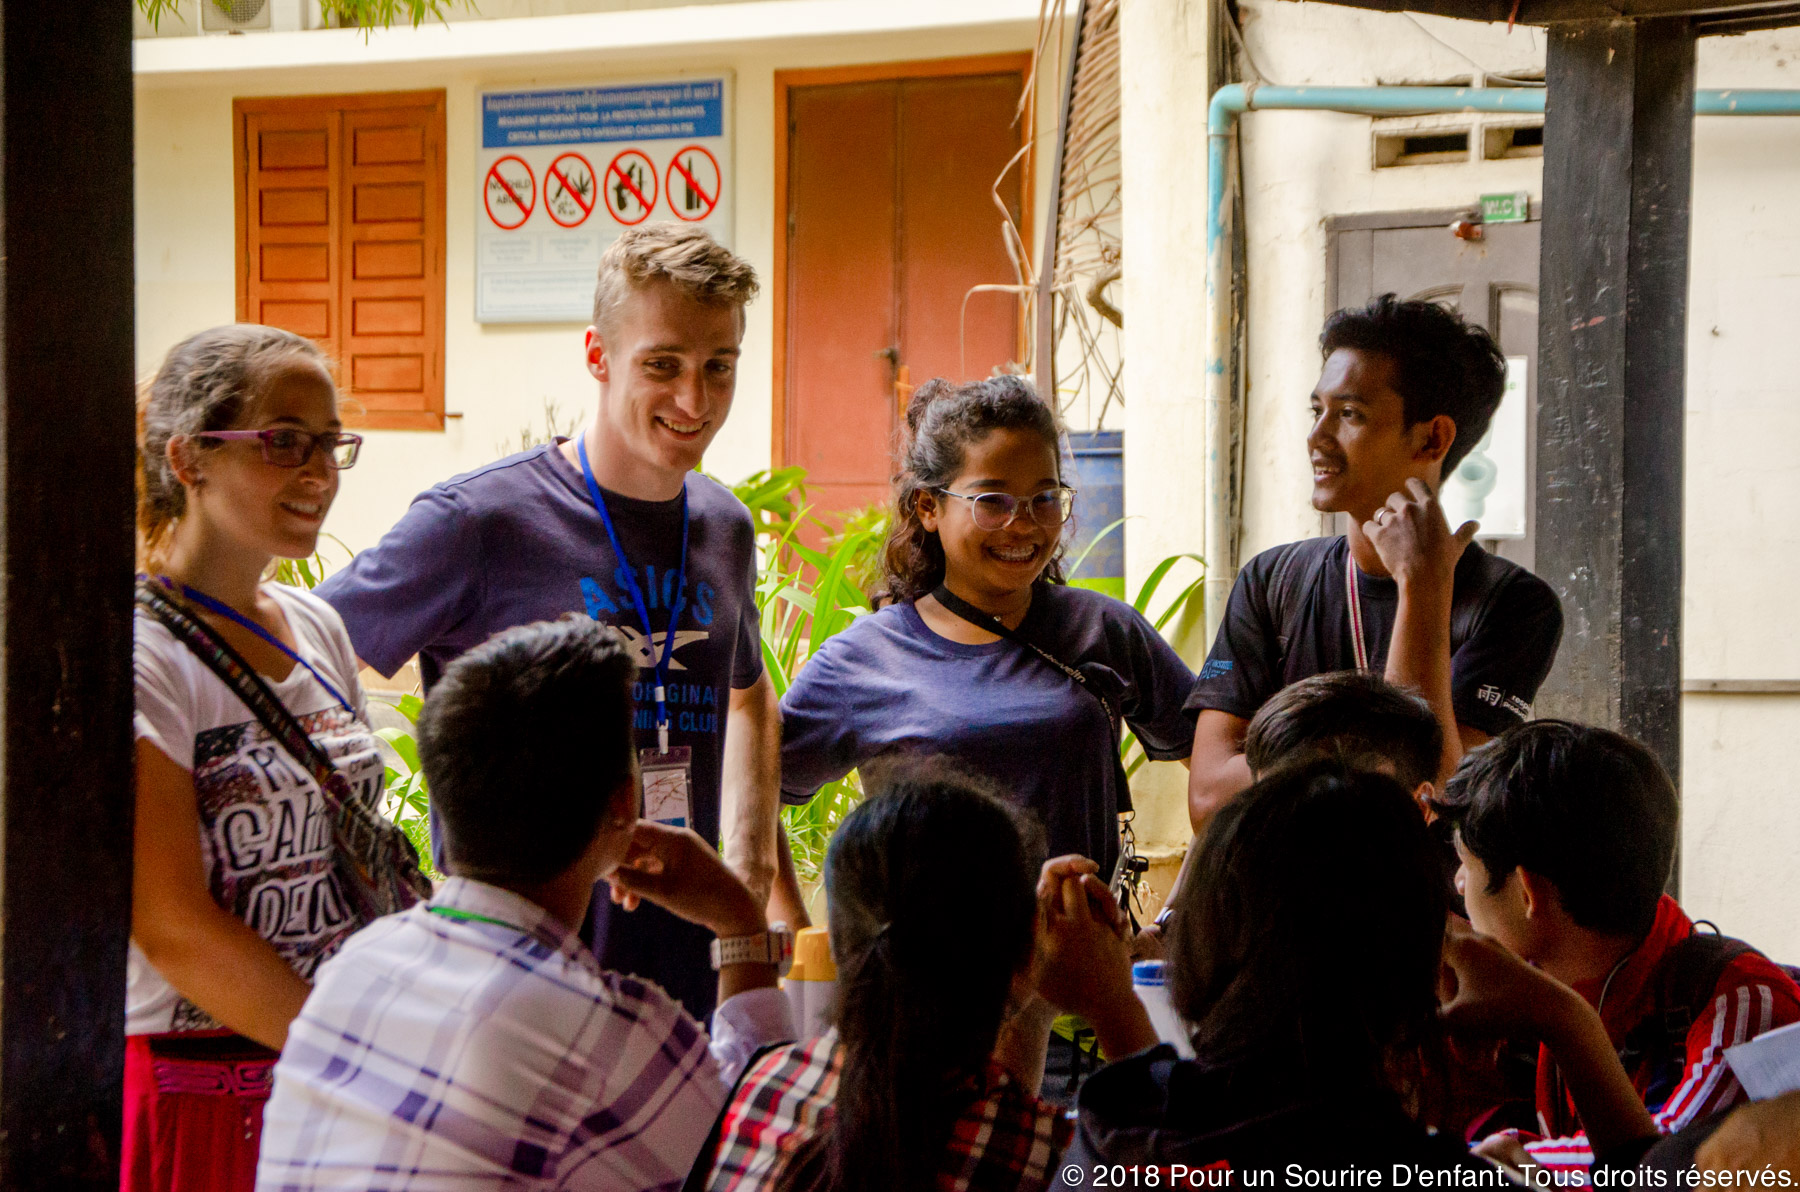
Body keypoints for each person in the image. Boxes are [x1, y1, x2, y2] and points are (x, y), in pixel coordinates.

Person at [316, 224, 799, 1021]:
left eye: (720, 367)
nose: (695, 400)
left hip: (692, 971)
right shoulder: (478, 521)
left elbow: (748, 697)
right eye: (663, 365)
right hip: (521, 981)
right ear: (597, 356)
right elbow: (306, 657)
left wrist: (744, 878)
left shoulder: (723, 526)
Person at [257, 617, 797, 1191]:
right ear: (624, 801)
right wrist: (738, 920)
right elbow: (758, 1150)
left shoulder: (353, 968)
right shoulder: (598, 1029)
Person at [778, 374, 1195, 1089]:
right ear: (929, 507)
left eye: (1044, 498)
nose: (1025, 524)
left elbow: (1224, 773)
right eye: (993, 500)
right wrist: (790, 934)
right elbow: (750, 797)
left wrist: (1176, 919)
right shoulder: (864, 658)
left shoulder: (1102, 630)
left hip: (1086, 1007)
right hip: (926, 1007)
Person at [128, 324, 426, 1191]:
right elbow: (171, 926)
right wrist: (359, 1058)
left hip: (327, 1072)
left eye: (330, 444)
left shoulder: (318, 629)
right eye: (284, 442)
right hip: (209, 1084)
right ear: (189, 458)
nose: (320, 474)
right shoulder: (146, 657)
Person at [1056, 759, 1659, 1184]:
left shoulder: (1104, 1134)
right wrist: (1567, 1020)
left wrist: (1106, 1004)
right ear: (1424, 966)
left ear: (1197, 946)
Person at [1186, 295, 1564, 832]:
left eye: (1349, 414)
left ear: (1433, 437)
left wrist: (1423, 588)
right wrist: (1366, 762)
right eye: (1317, 411)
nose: (1316, 438)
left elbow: (1432, 800)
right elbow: (1207, 800)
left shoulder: (1513, 604)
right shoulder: (1272, 582)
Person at [704, 763, 1154, 1192]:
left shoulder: (765, 1083)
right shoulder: (1061, 1158)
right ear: (1022, 960)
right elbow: (1193, 1164)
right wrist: (1114, 1003)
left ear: (841, 950)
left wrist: (1031, 1006)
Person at [1435, 721, 1800, 1178]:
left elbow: (1680, 1172)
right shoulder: (1566, 982)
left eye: (1466, 864)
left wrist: (1506, 1158)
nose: (1458, 883)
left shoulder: (1744, 1003)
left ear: (1527, 892)